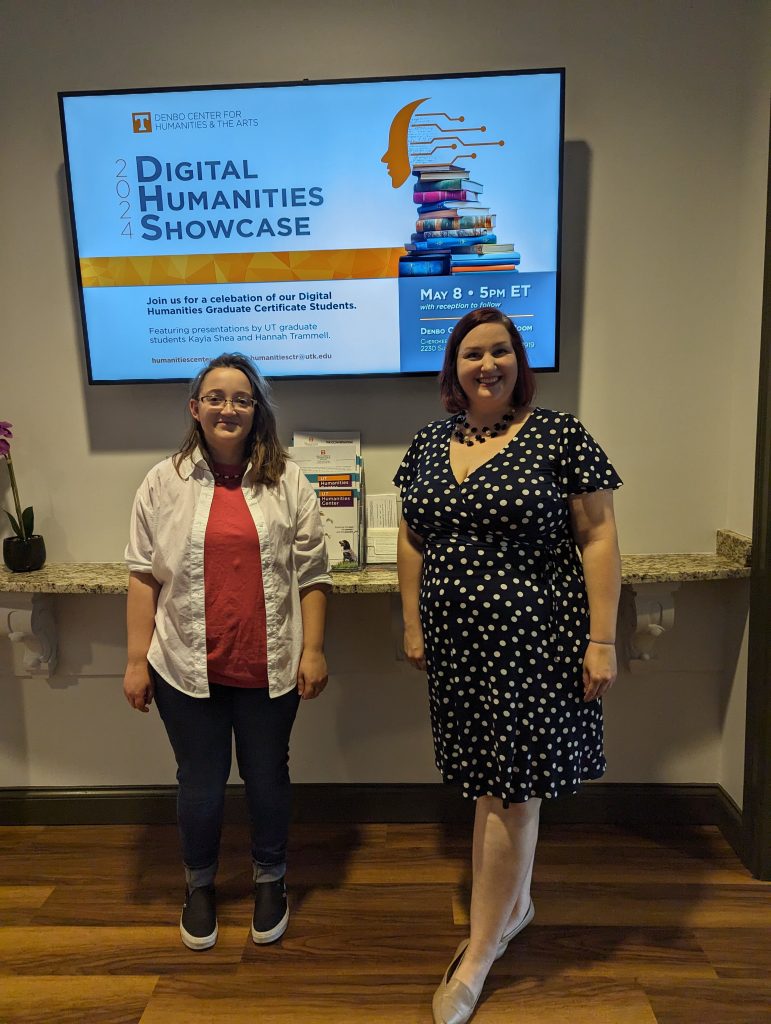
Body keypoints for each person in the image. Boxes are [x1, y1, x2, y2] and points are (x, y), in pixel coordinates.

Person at [394, 308, 622, 1024]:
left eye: (499, 351)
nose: (485, 364)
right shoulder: (431, 441)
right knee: (486, 784)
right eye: (471, 354)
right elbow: (410, 534)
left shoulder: (558, 435)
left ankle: (481, 948)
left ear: (518, 362)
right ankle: (514, 905)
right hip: (459, 652)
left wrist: (604, 638)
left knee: (512, 790)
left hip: (535, 643)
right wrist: (410, 620)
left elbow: (598, 534)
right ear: (452, 370)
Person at [123, 353, 331, 951]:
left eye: (241, 399)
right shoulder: (163, 481)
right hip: (185, 667)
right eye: (215, 397)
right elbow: (143, 576)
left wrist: (313, 650)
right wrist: (137, 661)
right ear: (195, 408)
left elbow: (315, 573)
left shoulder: (288, 479)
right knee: (201, 784)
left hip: (271, 667)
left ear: (256, 410)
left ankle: (271, 877)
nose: (228, 408)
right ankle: (200, 885)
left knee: (267, 777)